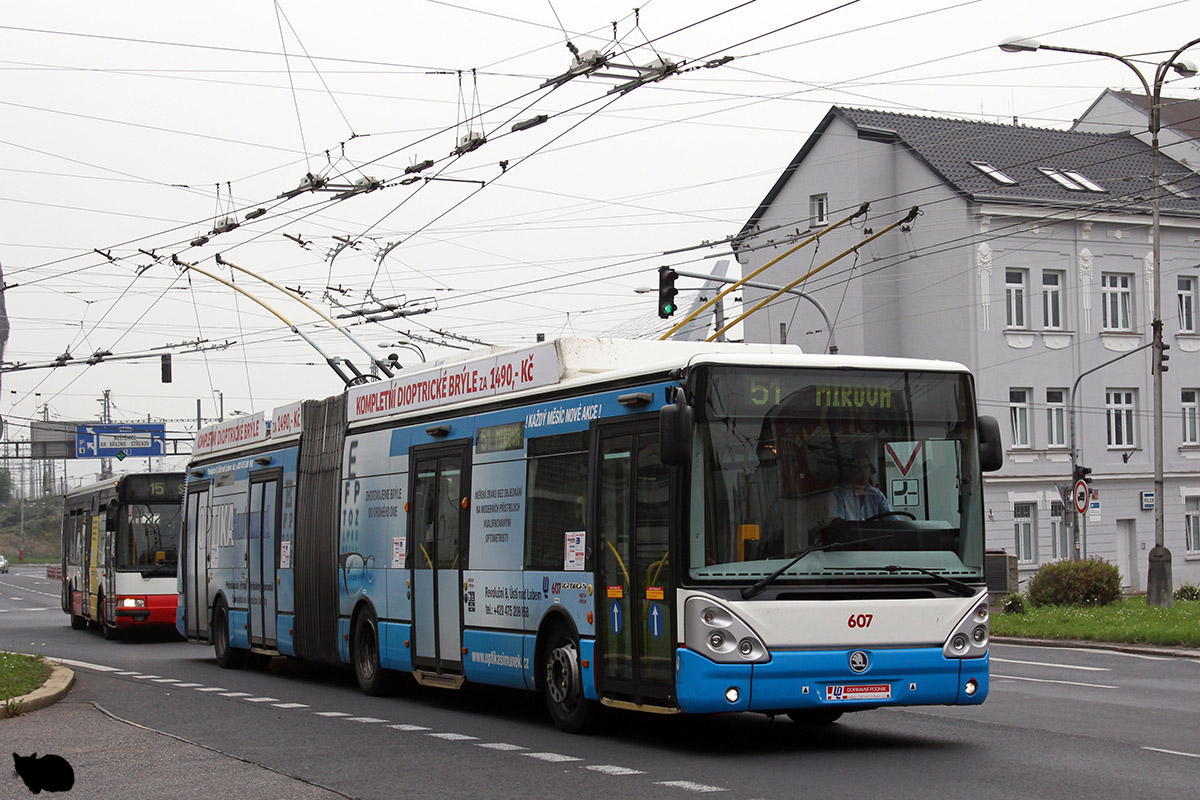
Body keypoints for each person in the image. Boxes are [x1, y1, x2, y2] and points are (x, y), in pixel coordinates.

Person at [827, 448, 892, 521]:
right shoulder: (839, 495)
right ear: (851, 471)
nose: (863, 472)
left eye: (866, 467)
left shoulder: (877, 495)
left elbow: (892, 520)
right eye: (858, 468)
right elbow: (837, 523)